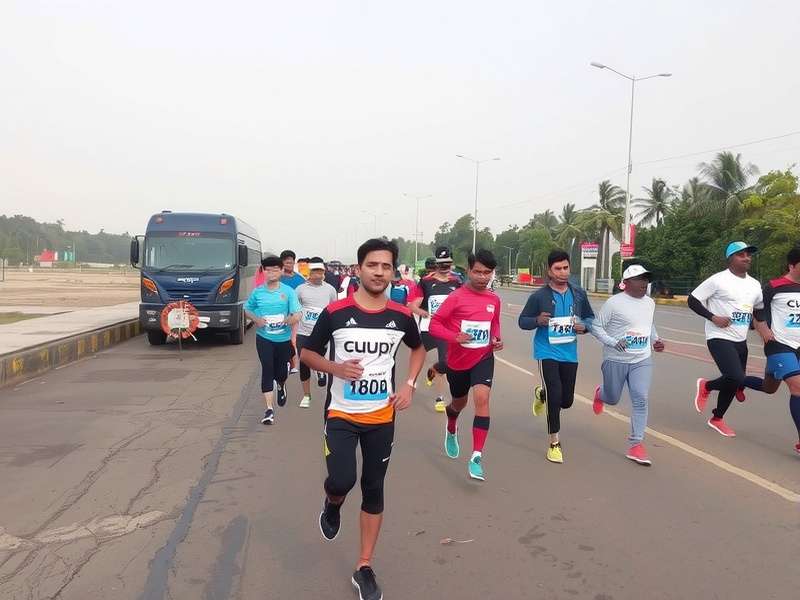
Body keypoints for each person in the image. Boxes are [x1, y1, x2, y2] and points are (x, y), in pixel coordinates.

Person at [300, 238, 425, 600]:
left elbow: (418, 349)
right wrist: (335, 367)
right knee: (341, 479)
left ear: (393, 273)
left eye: (386, 266)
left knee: (373, 487)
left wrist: (410, 384)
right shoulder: (336, 312)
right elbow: (307, 353)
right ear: (359, 269)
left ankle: (364, 566)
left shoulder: (401, 316)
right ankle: (332, 501)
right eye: (373, 265)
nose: (379, 272)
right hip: (341, 413)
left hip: (381, 417)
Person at [429, 249, 503, 481]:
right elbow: (434, 325)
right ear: (469, 270)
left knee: (482, 399)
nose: (482, 277)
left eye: (487, 273)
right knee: (459, 402)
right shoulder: (456, 297)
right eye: (478, 272)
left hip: (483, 357)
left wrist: (496, 339)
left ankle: (476, 456)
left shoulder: (494, 299)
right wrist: (455, 337)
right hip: (458, 361)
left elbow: (495, 324)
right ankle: (452, 423)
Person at [517, 249, 594, 464]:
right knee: (555, 394)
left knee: (566, 401)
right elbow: (522, 321)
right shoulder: (539, 296)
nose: (562, 272)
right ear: (549, 271)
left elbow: (590, 318)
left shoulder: (578, 293)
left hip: (569, 353)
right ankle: (554, 443)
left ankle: (541, 394)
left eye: (566, 267)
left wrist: (584, 327)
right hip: (546, 351)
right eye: (557, 268)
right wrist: (537, 321)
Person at [590, 265, 665, 466]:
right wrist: (613, 342)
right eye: (640, 279)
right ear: (627, 283)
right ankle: (601, 393)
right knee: (612, 398)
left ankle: (636, 444)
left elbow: (648, 324)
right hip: (616, 359)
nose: (644, 283)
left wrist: (656, 340)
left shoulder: (649, 303)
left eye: (646, 279)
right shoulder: (614, 303)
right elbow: (596, 327)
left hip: (642, 359)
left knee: (641, 398)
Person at [689, 242, 764, 437]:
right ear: (730, 258)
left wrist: (759, 327)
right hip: (718, 336)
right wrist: (713, 317)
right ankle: (707, 386)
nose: (747, 258)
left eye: (748, 254)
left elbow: (757, 309)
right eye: (741, 255)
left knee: (733, 380)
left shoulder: (755, 284)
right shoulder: (718, 280)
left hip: (741, 340)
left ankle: (717, 418)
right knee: (736, 377)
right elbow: (693, 299)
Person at [752, 245, 800, 454]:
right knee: (798, 387)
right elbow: (756, 311)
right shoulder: (773, 286)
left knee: (769, 387)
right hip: (779, 344)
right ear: (792, 265)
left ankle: (737, 382)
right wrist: (762, 329)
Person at [244, 256, 302, 425]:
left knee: (280, 373)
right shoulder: (258, 292)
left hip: (283, 339)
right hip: (264, 338)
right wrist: (256, 319)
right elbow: (247, 309)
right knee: (267, 369)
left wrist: (288, 320)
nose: (272, 273)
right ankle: (269, 409)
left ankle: (281, 385)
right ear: (264, 272)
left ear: (281, 271)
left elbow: (297, 314)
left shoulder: (288, 292)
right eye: (268, 270)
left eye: (275, 270)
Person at [409, 246, 462, 413]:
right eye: (441, 264)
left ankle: (439, 397)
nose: (445, 267)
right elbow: (412, 304)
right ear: (437, 264)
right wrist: (421, 312)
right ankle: (411, 383)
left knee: (446, 362)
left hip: (446, 330)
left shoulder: (457, 282)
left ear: (452, 263)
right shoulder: (426, 282)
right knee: (417, 356)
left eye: (448, 263)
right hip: (427, 327)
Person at [295, 257, 339, 408]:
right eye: (316, 272)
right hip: (303, 332)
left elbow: (334, 310)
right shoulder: (300, 290)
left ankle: (320, 371)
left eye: (321, 272)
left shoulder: (330, 290)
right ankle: (306, 395)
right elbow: (296, 309)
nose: (319, 275)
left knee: (318, 359)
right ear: (310, 272)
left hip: (321, 334)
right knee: (303, 362)